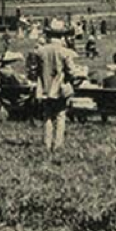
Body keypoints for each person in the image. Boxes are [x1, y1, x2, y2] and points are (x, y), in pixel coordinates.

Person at [36, 19, 77, 152]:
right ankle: (58, 144)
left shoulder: (40, 51)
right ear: (61, 36)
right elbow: (71, 71)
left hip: (44, 87)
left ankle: (46, 143)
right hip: (60, 88)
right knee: (60, 115)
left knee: (47, 115)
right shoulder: (65, 52)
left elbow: (33, 69)